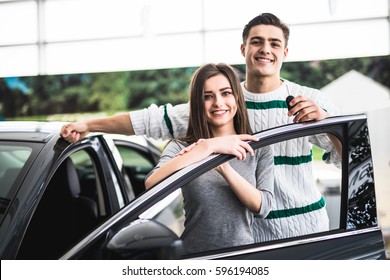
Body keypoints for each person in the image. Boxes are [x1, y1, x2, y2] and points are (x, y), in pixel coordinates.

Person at [61, 13, 340, 242]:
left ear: (285, 52)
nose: (265, 49)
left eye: (274, 43)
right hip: (249, 239)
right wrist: (88, 124)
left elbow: (345, 157)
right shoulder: (222, 102)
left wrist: (326, 123)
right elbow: (150, 121)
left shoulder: (311, 100)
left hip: (307, 230)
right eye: (257, 42)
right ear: (244, 49)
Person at [144, 63, 274, 254]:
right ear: (198, 103)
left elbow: (263, 207)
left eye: (226, 93)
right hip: (194, 258)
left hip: (242, 258)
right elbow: (151, 184)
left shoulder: (259, 148)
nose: (218, 103)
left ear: (237, 96)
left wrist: (224, 168)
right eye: (207, 96)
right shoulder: (181, 148)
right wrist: (207, 147)